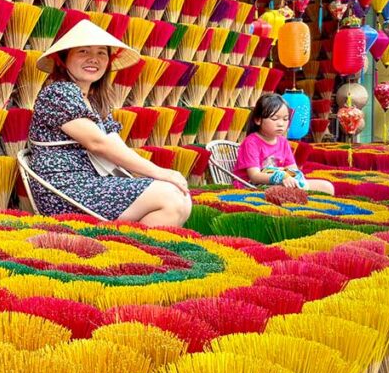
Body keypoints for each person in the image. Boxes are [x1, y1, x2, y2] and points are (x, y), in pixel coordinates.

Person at [26, 18, 192, 227]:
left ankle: (131, 250)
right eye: (83, 52)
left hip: (92, 184)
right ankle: (134, 252)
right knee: (170, 197)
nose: (93, 59)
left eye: (101, 53)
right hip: (65, 189)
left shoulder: (94, 100)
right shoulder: (58, 92)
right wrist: (160, 172)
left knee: (179, 197)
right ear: (63, 59)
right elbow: (98, 143)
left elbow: (114, 144)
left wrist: (149, 174)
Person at [233, 93, 335, 194]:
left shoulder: (283, 141)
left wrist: (293, 180)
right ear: (258, 120)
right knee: (287, 192)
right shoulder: (251, 142)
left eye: (285, 119)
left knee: (327, 187)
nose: (281, 124)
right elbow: (254, 176)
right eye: (275, 119)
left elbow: (292, 169)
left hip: (280, 184)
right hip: (253, 187)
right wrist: (281, 177)